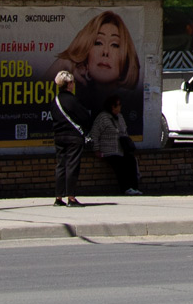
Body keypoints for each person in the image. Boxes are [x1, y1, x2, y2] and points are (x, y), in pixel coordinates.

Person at [48, 11, 143, 140]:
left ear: (125, 56)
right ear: (85, 49)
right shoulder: (78, 95)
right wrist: (62, 63)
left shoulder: (132, 100)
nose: (105, 52)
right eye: (98, 43)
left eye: (115, 45)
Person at [50, 70, 92, 207]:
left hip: (59, 136)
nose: (74, 84)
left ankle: (58, 197)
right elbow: (85, 116)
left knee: (60, 165)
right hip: (73, 137)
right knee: (72, 166)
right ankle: (71, 198)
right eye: (72, 82)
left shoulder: (55, 100)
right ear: (68, 84)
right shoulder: (72, 100)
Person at [90, 95, 141, 195]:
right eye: (119, 105)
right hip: (108, 150)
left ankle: (134, 187)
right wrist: (96, 149)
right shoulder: (103, 117)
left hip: (121, 149)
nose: (120, 107)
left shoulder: (120, 117)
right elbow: (94, 134)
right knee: (120, 164)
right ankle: (125, 188)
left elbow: (124, 131)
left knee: (131, 160)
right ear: (113, 106)